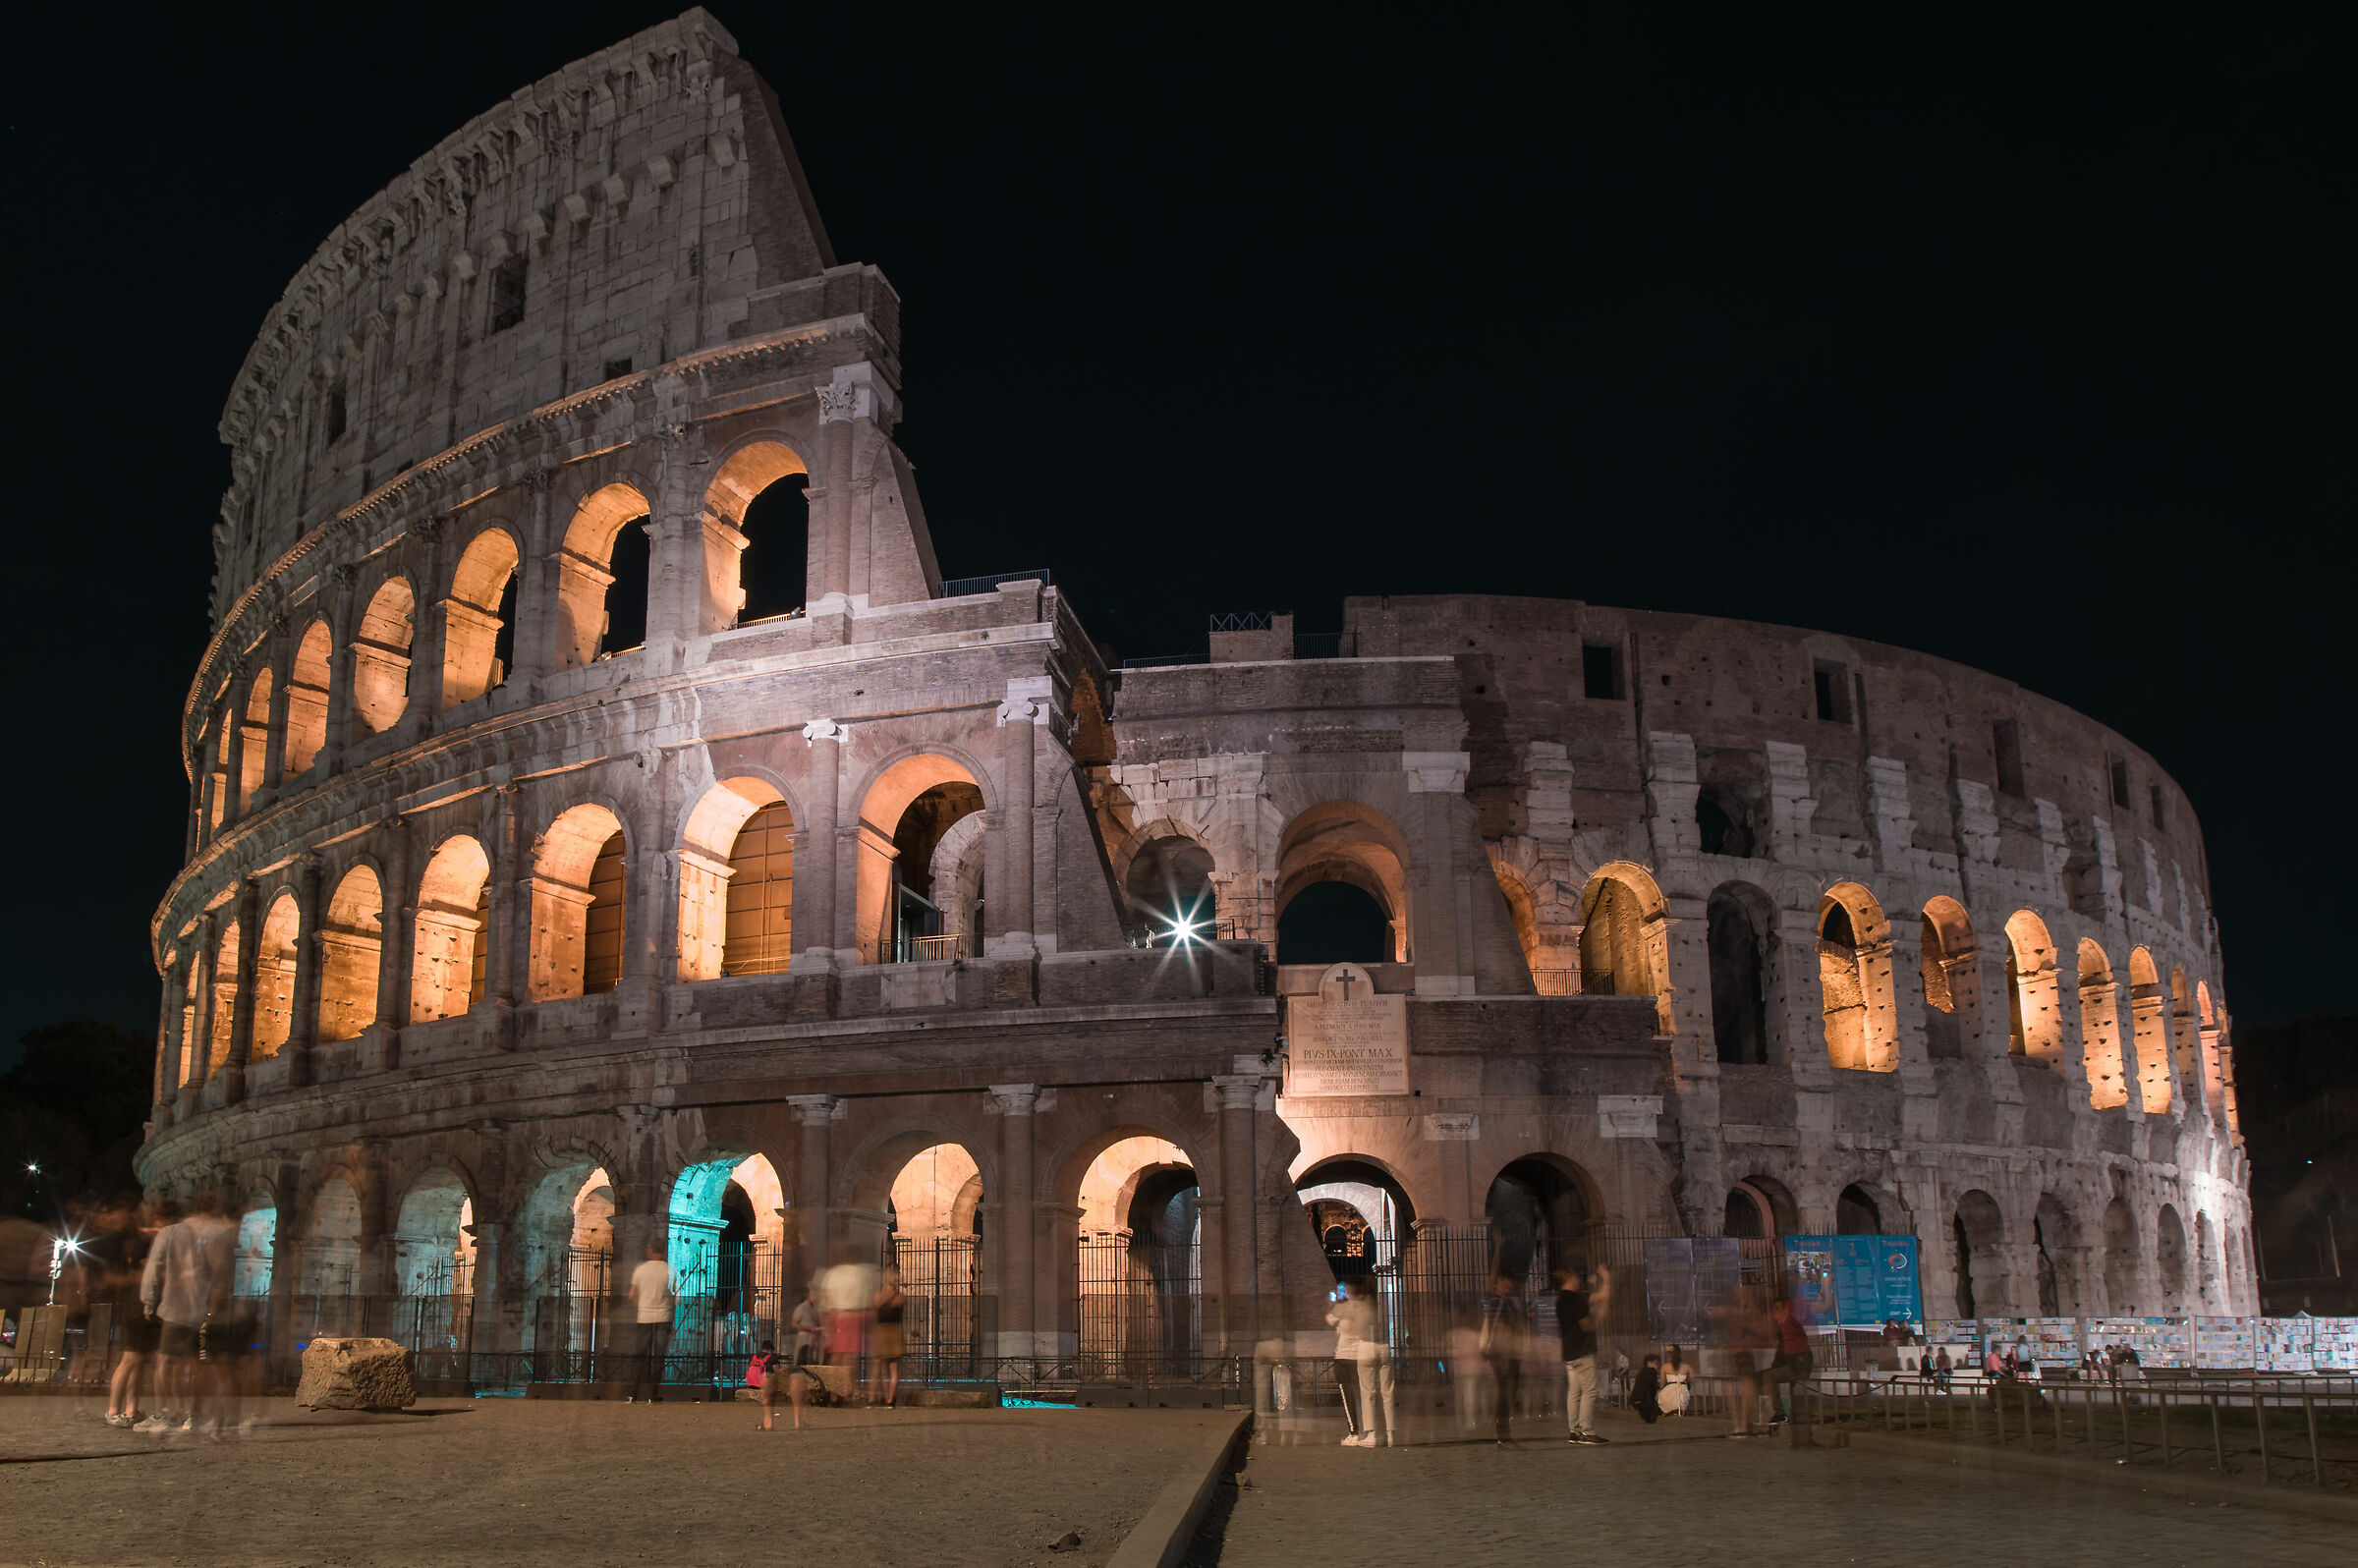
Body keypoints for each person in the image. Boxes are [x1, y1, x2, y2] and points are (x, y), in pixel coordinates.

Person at [138, 1198, 207, 1434]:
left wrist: (148, 1303)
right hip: (197, 1309)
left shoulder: (168, 1234)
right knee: (189, 1364)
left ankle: (161, 1414)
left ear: (161, 1218)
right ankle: (190, 1413)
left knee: (164, 1363)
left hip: (174, 1306)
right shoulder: (201, 1236)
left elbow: (154, 1268)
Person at [1554, 1264, 1607, 1445]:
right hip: (1582, 1350)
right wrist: (1595, 1317)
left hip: (1569, 1352)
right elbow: (1587, 1326)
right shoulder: (1575, 1300)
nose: (1578, 1280)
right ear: (1570, 1277)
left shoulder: (1560, 1299)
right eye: (1576, 1277)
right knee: (1589, 1390)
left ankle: (1573, 1430)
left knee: (1574, 1392)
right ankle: (1587, 1431)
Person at [1340, 1278, 1395, 1448]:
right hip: (1385, 1346)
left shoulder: (1357, 1307)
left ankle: (1371, 1434)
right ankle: (1390, 1434)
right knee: (1387, 1392)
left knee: (1368, 1392)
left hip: (1366, 1347)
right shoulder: (1380, 1303)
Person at [624, 1239, 675, 1404]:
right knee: (658, 1357)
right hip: (663, 1317)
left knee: (640, 1356)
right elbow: (676, 1297)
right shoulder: (670, 1270)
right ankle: (652, 1395)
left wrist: (642, 1306)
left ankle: (633, 1393)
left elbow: (631, 1295)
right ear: (663, 1252)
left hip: (644, 1317)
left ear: (650, 1249)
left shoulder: (640, 1270)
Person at [1480, 1274, 1527, 1444]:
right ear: (1497, 1283)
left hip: (1509, 1352)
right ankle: (1502, 1432)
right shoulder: (1495, 1303)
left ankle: (1504, 1431)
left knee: (1508, 1392)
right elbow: (1500, 1326)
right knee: (1505, 1392)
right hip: (1501, 1353)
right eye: (1504, 1279)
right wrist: (1513, 1335)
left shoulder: (1506, 1302)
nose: (1508, 1282)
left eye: (1509, 1279)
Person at [1325, 1285, 1368, 1443]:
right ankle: (1370, 1430)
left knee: (1347, 1396)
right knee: (1364, 1394)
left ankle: (1354, 1432)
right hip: (1360, 1356)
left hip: (1343, 1357)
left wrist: (1332, 1302)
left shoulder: (1342, 1309)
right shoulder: (1364, 1309)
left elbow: (1328, 1318)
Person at [1763, 1295, 1813, 1427]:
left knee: (1770, 1377)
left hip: (1800, 1360)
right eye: (1773, 1308)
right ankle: (1792, 1416)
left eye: (1777, 1308)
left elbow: (1793, 1306)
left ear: (1786, 1309)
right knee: (1781, 1382)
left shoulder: (1790, 1320)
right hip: (1792, 1360)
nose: (1774, 1310)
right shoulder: (1781, 1324)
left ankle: (1781, 1414)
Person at [871, 1263, 908, 1409]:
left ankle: (877, 1398)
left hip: (881, 1332)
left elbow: (874, 1312)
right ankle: (891, 1400)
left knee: (881, 1369)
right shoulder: (901, 1297)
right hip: (896, 1332)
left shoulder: (877, 1297)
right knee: (894, 1370)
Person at [748, 1339, 783, 1430]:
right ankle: (768, 1425)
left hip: (755, 1382)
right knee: (769, 1404)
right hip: (768, 1380)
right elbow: (778, 1371)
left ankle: (764, 1424)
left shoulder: (754, 1356)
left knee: (766, 1405)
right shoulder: (772, 1358)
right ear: (770, 1349)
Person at [1657, 1344, 1692, 1416]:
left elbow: (1662, 1383)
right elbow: (1692, 1379)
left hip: (1669, 1392)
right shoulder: (1687, 1367)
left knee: (1662, 1396)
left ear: (1669, 1355)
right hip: (1682, 1392)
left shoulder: (1665, 1367)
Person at [1631, 1354, 1662, 1423]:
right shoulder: (1651, 1371)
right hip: (1645, 1401)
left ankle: (1645, 1414)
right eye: (1656, 1364)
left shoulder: (1641, 1373)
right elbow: (1654, 1386)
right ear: (1649, 1363)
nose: (1657, 1367)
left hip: (1635, 1400)